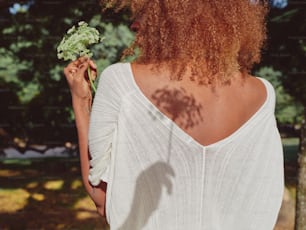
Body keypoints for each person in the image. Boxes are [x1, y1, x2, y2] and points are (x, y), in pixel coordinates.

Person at [64, 0, 284, 229]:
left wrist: (81, 101)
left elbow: (102, 200)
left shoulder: (121, 82)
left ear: (171, 18)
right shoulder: (263, 95)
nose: (134, 25)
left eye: (144, 12)